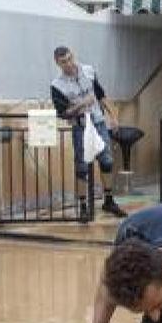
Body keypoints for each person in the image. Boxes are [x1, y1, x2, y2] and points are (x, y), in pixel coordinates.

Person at [50, 46, 126, 219]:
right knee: (82, 166)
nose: (68, 64)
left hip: (98, 122)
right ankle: (83, 205)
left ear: (73, 56)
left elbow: (101, 95)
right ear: (57, 63)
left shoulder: (89, 71)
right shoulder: (57, 85)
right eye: (63, 62)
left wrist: (113, 116)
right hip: (80, 126)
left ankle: (109, 200)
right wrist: (81, 104)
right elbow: (62, 113)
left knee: (106, 160)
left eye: (70, 59)